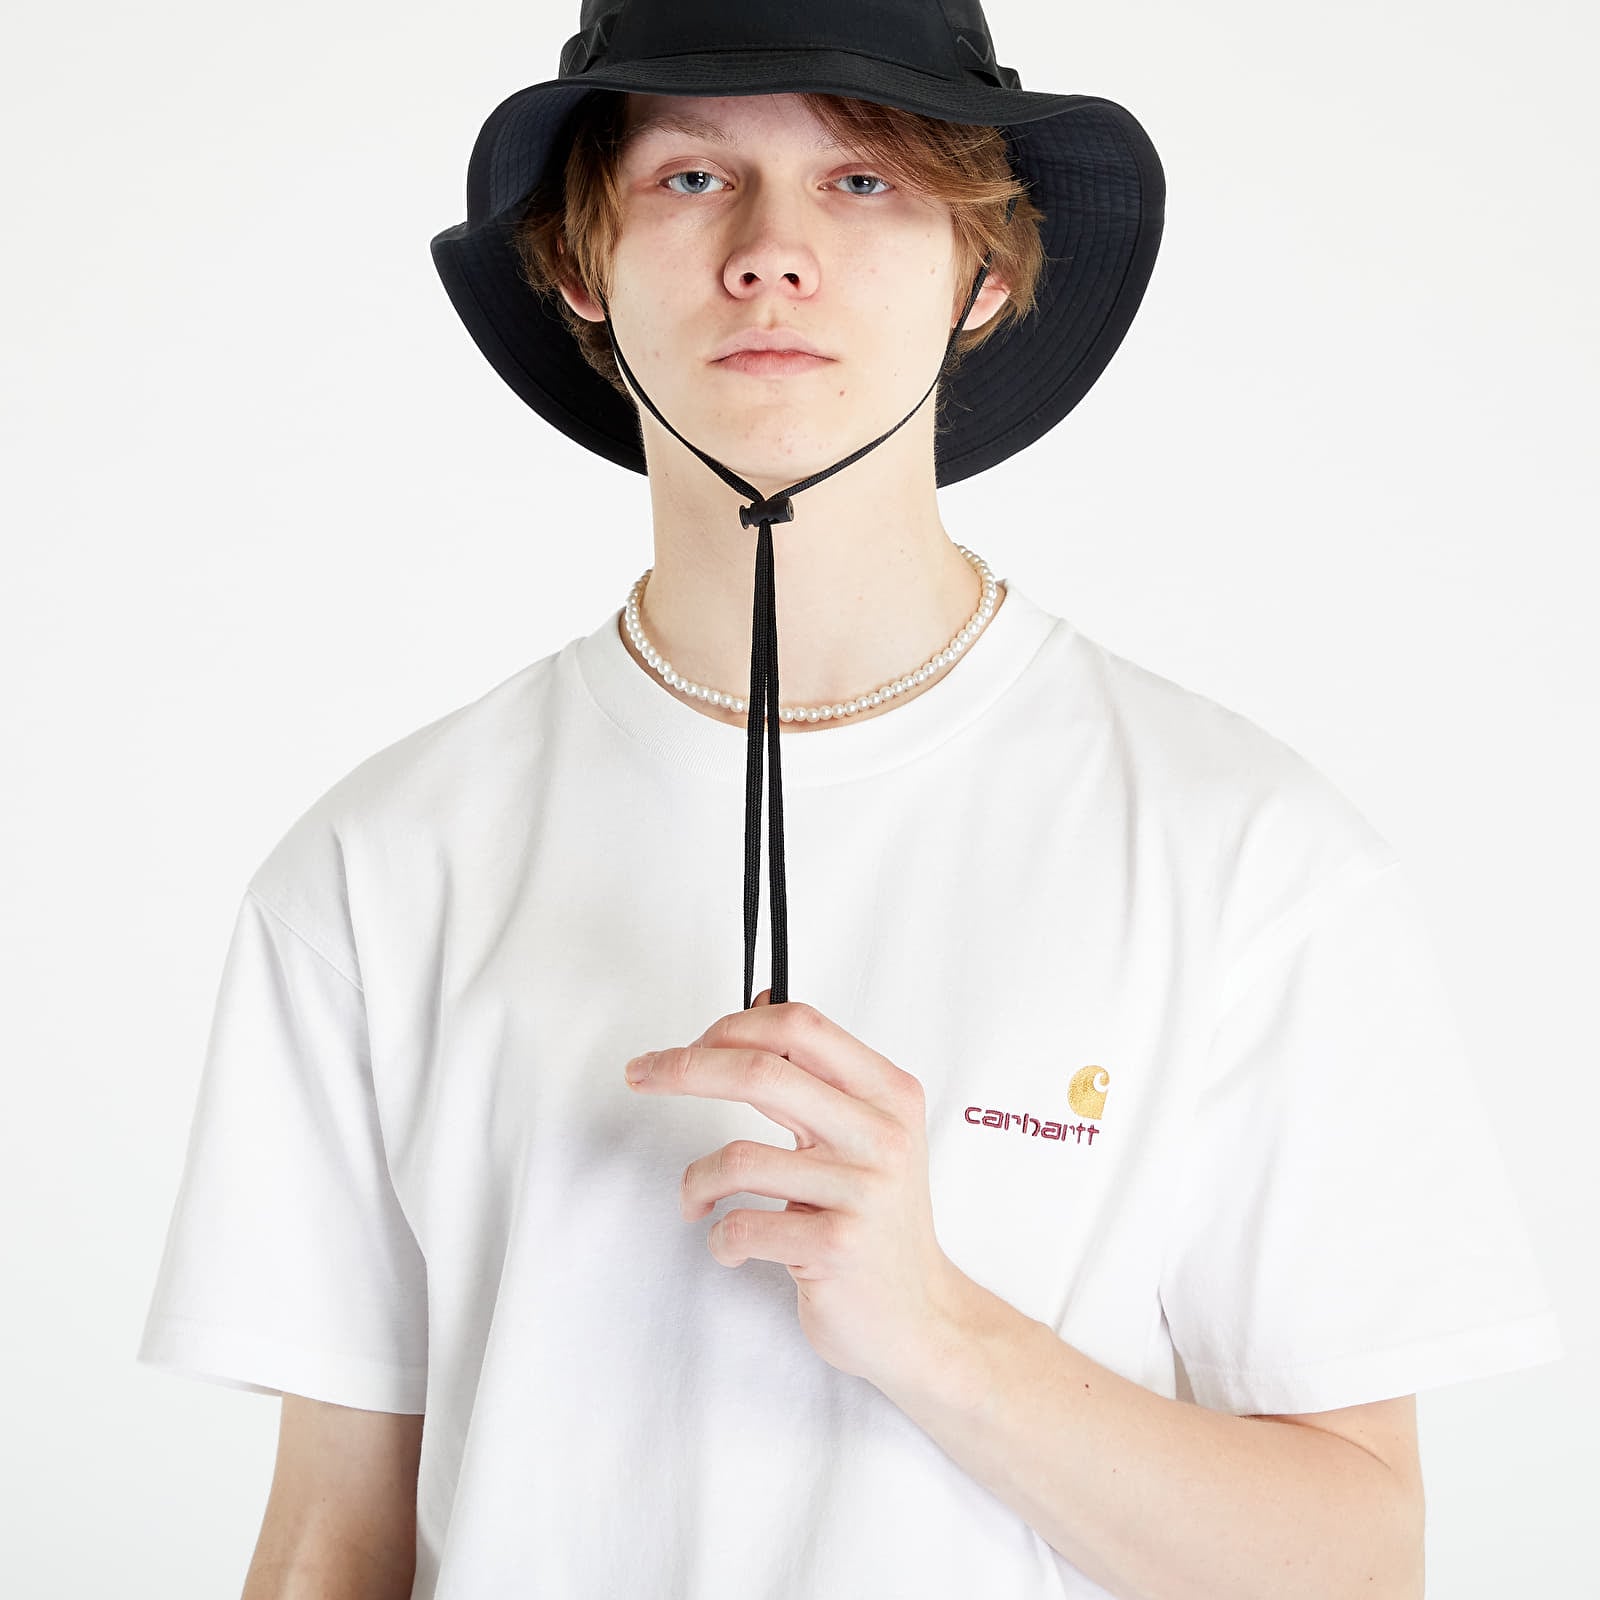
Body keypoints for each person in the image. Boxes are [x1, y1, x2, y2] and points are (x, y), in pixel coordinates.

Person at [136, 4, 1565, 1598]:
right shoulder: (378, 867)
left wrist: (935, 1329)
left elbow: (1358, 1564)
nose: (771, 254)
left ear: (986, 272)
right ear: (580, 265)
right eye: (691, 177)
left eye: (865, 179)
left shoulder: (1249, 856)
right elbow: (329, 1543)